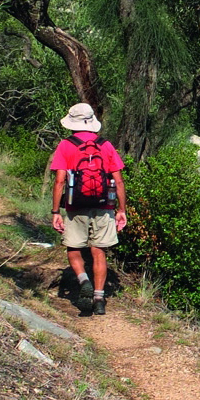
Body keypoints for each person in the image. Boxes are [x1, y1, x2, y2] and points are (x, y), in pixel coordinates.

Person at [49, 103, 127, 315]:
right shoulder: (106, 145)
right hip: (104, 206)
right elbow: (118, 181)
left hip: (76, 206)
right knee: (98, 251)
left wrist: (56, 212)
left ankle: (84, 280)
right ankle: (99, 299)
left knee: (73, 248)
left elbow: (59, 181)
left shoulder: (66, 145)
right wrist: (121, 210)